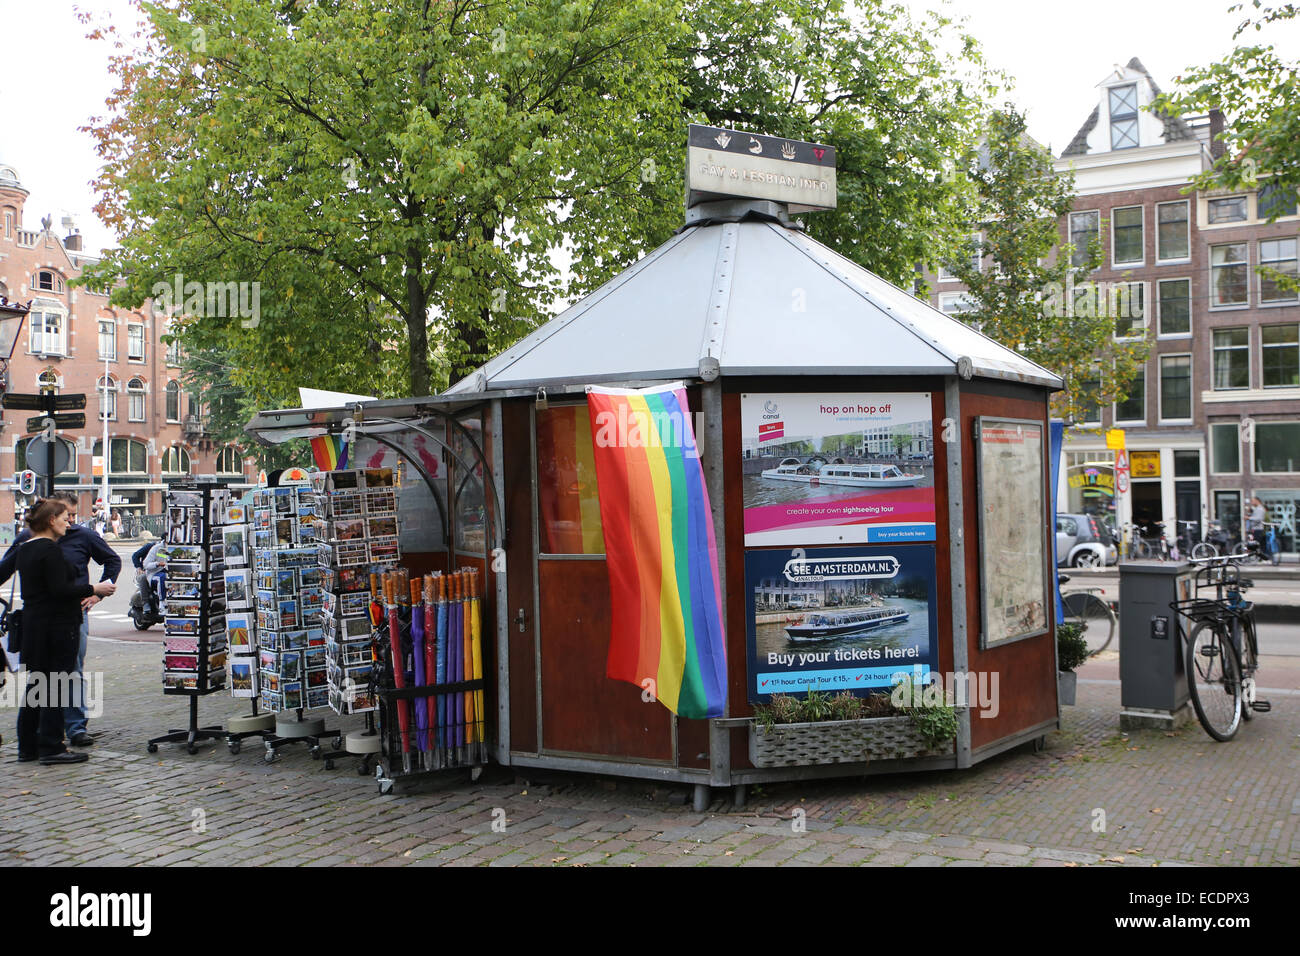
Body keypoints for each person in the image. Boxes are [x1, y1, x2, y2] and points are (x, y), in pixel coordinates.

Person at [0, 491, 122, 747]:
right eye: (67, 516)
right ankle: (49, 741)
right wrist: (93, 590)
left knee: (58, 676)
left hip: (58, 618)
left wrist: (98, 595)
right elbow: (55, 587)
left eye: (74, 517)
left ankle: (62, 732)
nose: (71, 523)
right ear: (51, 517)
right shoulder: (36, 544)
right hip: (55, 620)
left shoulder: (79, 537)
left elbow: (112, 560)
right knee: (53, 679)